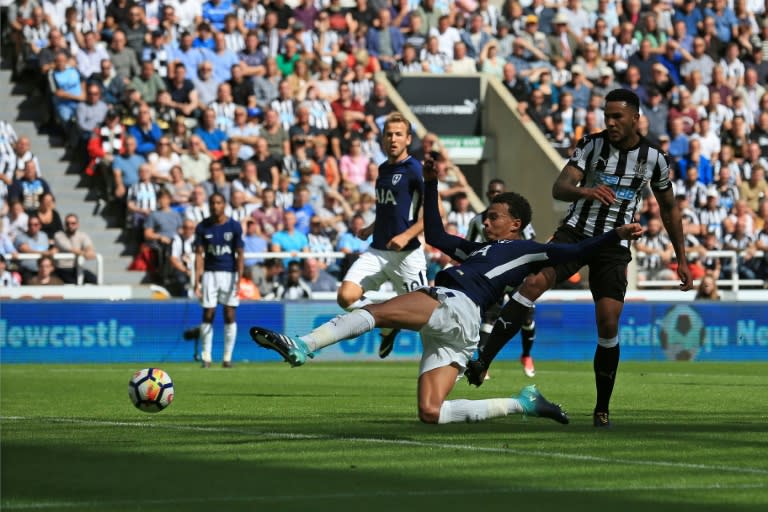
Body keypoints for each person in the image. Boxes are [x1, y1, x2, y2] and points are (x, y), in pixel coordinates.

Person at [250, 156, 645, 425]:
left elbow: (576, 248)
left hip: (456, 304)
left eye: (494, 216)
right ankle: (523, 402)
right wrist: (432, 185)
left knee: (375, 310)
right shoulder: (480, 248)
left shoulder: (529, 249)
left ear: (516, 223)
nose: (486, 221)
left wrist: (616, 233)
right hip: (461, 328)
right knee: (431, 412)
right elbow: (436, 234)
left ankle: (303, 345)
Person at [466, 89, 693, 428]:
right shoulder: (592, 145)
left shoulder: (654, 159)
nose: (611, 122)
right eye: (607, 115)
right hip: (573, 233)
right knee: (532, 283)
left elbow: (669, 209)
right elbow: (560, 187)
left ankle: (602, 409)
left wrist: (682, 258)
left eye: (617, 116)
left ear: (635, 117)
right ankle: (484, 359)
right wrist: (587, 190)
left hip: (614, 244)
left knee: (608, 323)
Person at [336, 112, 428, 360]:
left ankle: (465, 358)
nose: (393, 139)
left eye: (399, 134)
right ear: (382, 139)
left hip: (407, 254)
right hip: (377, 250)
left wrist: (406, 235)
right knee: (345, 297)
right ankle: (387, 322)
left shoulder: (415, 169)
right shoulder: (383, 168)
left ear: (408, 139)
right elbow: (389, 208)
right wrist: (371, 227)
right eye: (389, 134)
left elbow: (434, 212)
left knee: (425, 319)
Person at [466, 178, 537, 378]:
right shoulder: (478, 221)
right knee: (489, 318)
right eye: (491, 193)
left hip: (516, 274)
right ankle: (483, 362)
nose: (494, 195)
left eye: (498, 192)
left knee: (527, 317)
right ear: (487, 195)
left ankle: (526, 355)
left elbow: (532, 244)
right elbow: (468, 248)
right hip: (493, 277)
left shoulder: (519, 220)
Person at [194, 192, 244, 368]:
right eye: (212, 203)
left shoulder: (234, 226)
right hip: (209, 274)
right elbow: (199, 255)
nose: (215, 206)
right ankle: (206, 356)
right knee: (208, 313)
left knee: (230, 314)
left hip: (229, 274)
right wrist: (197, 280)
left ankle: (227, 357)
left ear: (224, 205)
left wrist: (239, 278)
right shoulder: (202, 227)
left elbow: (240, 254)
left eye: (219, 203)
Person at [52, 214, 98, 284]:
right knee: (74, 283)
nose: (70, 225)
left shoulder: (82, 235)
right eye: (67, 223)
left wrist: (89, 251)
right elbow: (70, 249)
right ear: (64, 225)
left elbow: (88, 246)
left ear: (78, 224)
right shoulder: (58, 235)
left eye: (73, 223)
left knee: (95, 280)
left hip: (76, 268)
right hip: (61, 269)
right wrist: (85, 254)